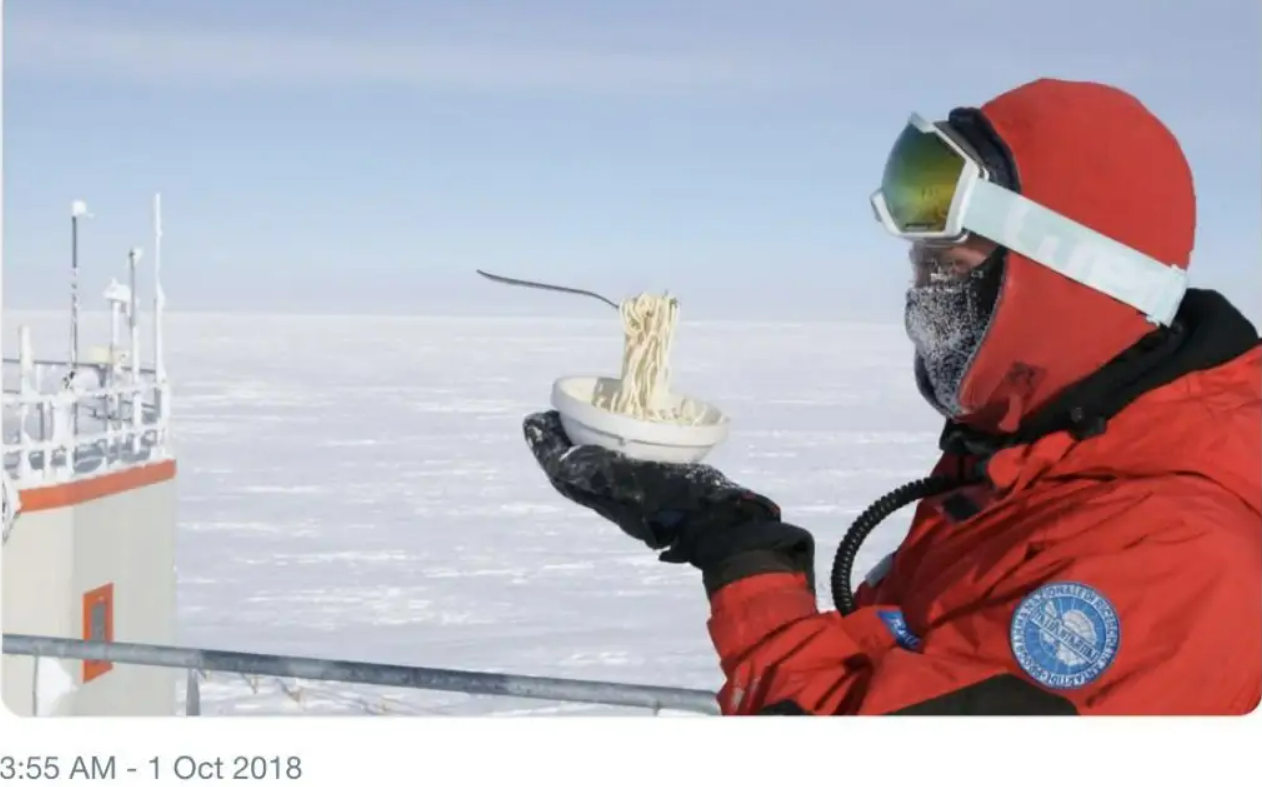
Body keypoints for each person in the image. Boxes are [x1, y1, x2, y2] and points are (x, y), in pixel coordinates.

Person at [522, 78, 1261, 715]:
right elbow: (903, 667)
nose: (919, 292)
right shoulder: (1031, 461)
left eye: (945, 264)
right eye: (919, 263)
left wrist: (744, 561)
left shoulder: (1174, 564)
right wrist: (726, 524)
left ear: (1068, 277)